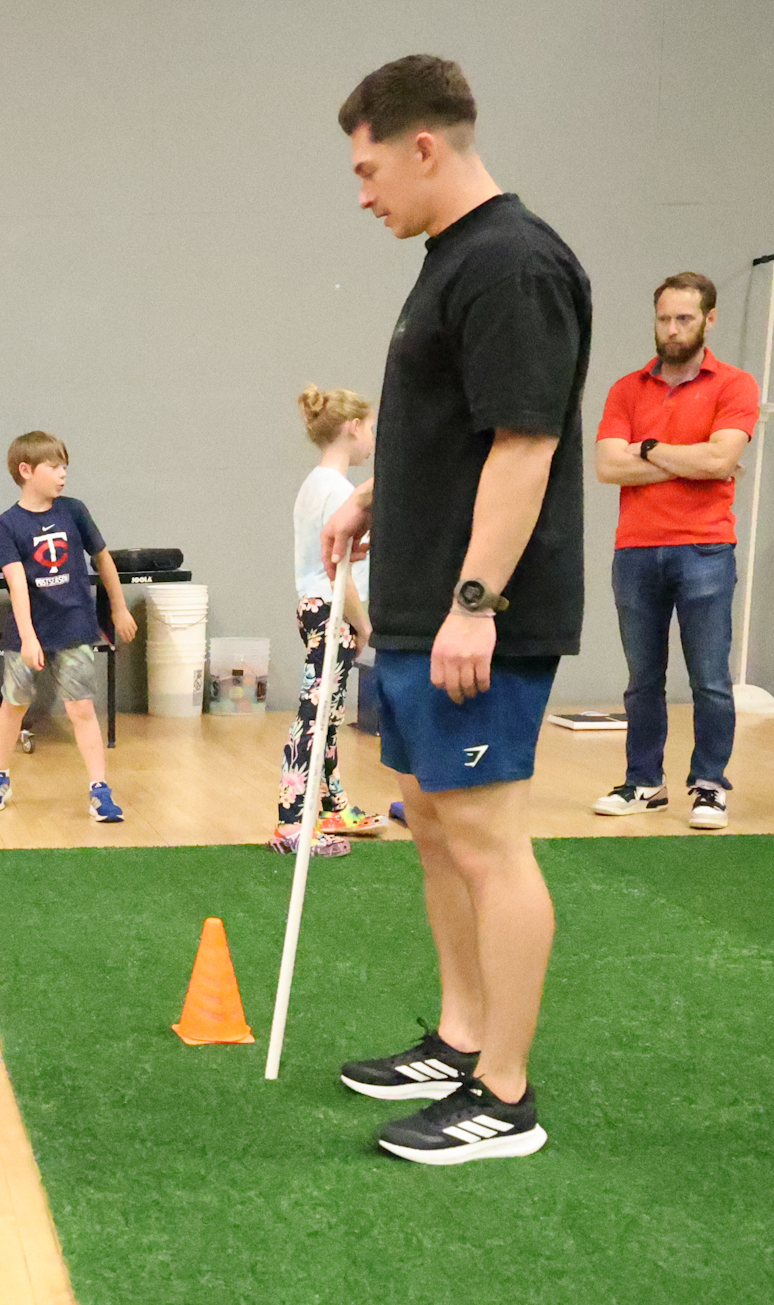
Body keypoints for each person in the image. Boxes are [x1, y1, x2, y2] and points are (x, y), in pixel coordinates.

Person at [323, 56, 591, 1164]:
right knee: (429, 822)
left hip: (474, 615)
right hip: (417, 605)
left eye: (366, 165)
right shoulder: (451, 263)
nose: (360, 192)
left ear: (420, 145)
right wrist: (378, 498)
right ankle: (459, 1036)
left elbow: (524, 447)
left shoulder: (511, 264)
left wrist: (474, 603)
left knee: (484, 838)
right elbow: (465, 427)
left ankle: (504, 1096)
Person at [591, 271, 759, 830]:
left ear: (709, 319)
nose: (672, 328)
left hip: (706, 549)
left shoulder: (735, 386)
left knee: (709, 677)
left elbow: (720, 461)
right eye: (664, 318)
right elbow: (608, 467)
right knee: (643, 678)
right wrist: (685, 458)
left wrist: (649, 449)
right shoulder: (626, 389)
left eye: (684, 318)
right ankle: (644, 781)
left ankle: (709, 785)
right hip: (636, 549)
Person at [0, 431, 139, 822]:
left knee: (81, 707)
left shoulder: (75, 511)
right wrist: (29, 637)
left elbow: (104, 560)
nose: (63, 474)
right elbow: (17, 585)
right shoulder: (6, 526)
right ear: (26, 470)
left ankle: (100, 790)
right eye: (55, 466)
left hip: (75, 626)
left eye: (65, 466)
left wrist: (118, 608)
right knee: (14, 704)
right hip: (27, 631)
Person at [270, 387, 383, 857]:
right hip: (331, 611)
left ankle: (331, 804)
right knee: (315, 714)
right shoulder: (340, 491)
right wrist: (365, 625)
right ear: (353, 427)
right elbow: (340, 572)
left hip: (320, 609)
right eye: (371, 428)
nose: (374, 438)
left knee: (329, 712)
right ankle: (291, 822)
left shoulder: (315, 483)